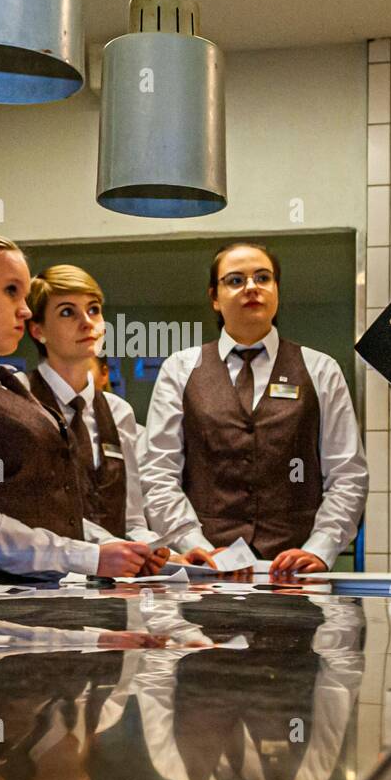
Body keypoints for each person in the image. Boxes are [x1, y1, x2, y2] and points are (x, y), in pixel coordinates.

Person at [0, 233, 151, 582]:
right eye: (11, 291)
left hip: (42, 597)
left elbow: (50, 510)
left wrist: (119, 548)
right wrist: (88, 557)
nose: (25, 309)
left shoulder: (7, 382)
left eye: (26, 296)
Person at [141, 241, 368, 573]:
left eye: (263, 278)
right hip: (208, 571)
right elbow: (158, 474)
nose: (251, 287)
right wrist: (197, 547)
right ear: (214, 298)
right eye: (235, 280)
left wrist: (320, 548)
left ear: (276, 290)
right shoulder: (180, 369)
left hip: (295, 570)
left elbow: (347, 473)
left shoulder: (320, 369)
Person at [25, 265, 161, 548]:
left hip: (115, 582)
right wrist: (109, 547)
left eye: (94, 309)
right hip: (45, 577)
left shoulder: (119, 412)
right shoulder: (19, 398)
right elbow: (33, 512)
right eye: (67, 312)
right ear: (38, 330)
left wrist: (163, 551)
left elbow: (133, 521)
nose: (87, 322)